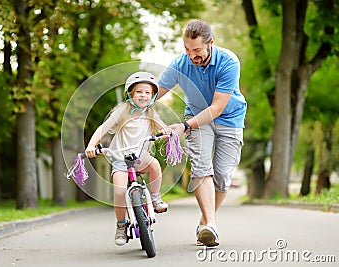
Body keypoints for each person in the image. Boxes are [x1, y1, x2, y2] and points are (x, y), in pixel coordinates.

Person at [157, 19, 247, 247]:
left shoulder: (228, 62)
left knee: (223, 175)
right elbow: (156, 91)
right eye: (187, 49)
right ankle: (211, 226)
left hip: (229, 117)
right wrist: (134, 101)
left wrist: (184, 127)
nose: (191, 55)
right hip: (197, 118)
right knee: (200, 167)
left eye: (197, 50)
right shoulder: (180, 63)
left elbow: (217, 108)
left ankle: (206, 221)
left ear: (211, 43)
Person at [85, 71, 169, 246]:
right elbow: (103, 128)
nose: (143, 95)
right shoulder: (122, 110)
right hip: (120, 158)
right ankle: (121, 225)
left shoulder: (151, 112)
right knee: (119, 191)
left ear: (153, 96)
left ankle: (154, 197)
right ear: (130, 94)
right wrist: (92, 145)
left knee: (154, 165)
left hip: (141, 157)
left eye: (148, 92)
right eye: (139, 92)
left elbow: (163, 127)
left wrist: (168, 133)